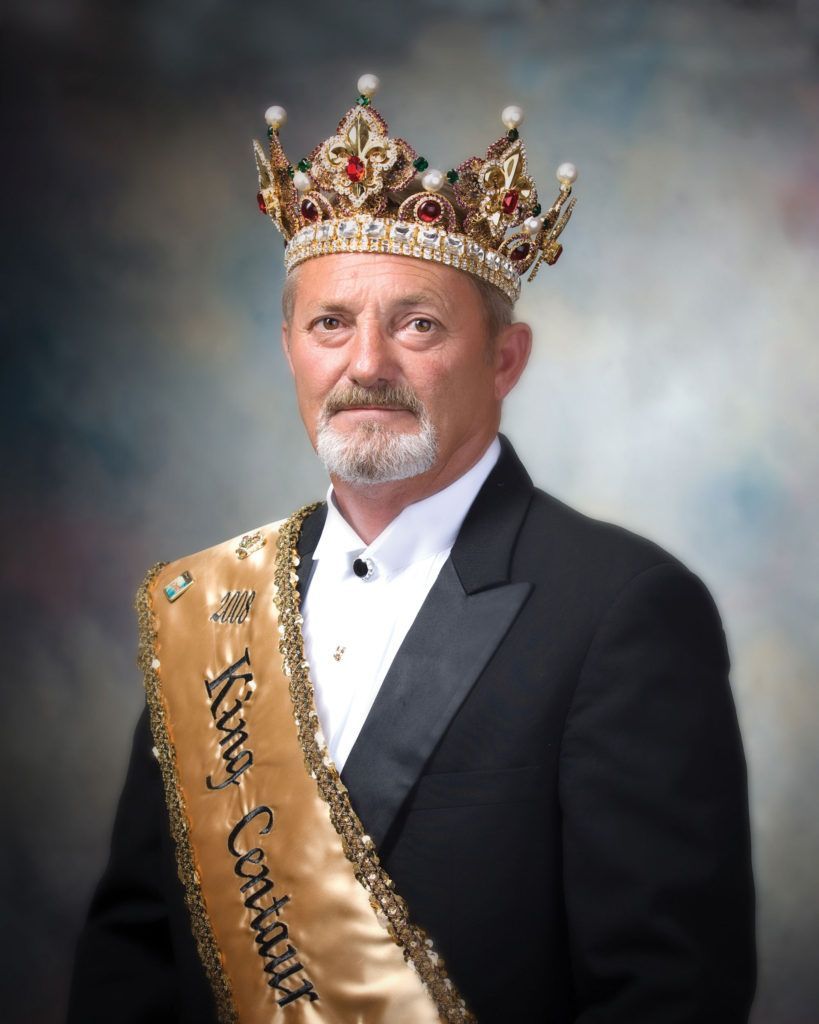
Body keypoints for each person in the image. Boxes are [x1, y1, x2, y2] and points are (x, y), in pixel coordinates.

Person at [68, 75, 756, 1024]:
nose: (366, 366)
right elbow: (133, 953)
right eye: (329, 324)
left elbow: (667, 996)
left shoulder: (622, 606)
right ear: (288, 348)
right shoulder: (206, 602)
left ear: (503, 359)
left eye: (418, 324)